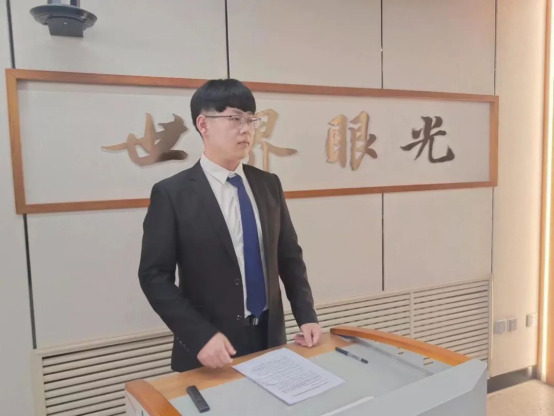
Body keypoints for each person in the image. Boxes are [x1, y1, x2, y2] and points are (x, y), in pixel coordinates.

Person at [138, 79, 322, 372]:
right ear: (204, 124)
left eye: (251, 120)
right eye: (235, 119)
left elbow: (289, 256)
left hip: (270, 337)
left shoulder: (268, 184)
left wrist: (306, 315)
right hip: (211, 346)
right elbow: (154, 277)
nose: (246, 129)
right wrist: (199, 336)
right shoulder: (172, 194)